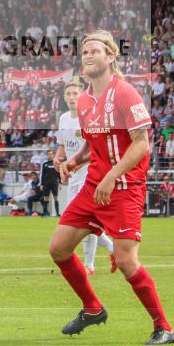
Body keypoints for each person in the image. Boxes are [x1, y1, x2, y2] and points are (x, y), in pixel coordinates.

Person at [51, 31, 174, 345]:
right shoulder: (83, 100)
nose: (88, 56)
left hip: (123, 187)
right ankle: (92, 308)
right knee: (59, 248)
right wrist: (74, 162)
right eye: (84, 53)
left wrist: (110, 177)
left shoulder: (125, 93)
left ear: (110, 57)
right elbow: (93, 144)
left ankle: (164, 328)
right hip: (95, 184)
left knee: (125, 261)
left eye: (94, 51)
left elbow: (142, 144)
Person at [54, 81, 115, 275]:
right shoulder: (64, 119)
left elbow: (94, 149)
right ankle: (114, 250)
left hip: (89, 176)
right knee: (78, 223)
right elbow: (63, 144)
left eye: (75, 93)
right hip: (72, 177)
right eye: (68, 94)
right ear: (64, 97)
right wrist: (58, 158)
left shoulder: (88, 117)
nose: (72, 97)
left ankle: (89, 265)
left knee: (81, 221)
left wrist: (74, 165)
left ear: (82, 96)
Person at [39, 148, 61, 216]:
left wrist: (60, 183)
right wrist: (41, 184)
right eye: (49, 154)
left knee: (56, 198)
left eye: (51, 154)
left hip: (54, 183)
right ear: (47, 155)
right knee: (46, 198)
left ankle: (57, 213)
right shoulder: (44, 164)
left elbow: (58, 173)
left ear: (53, 155)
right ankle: (45, 213)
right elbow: (41, 174)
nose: (50, 155)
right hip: (46, 184)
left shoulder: (56, 163)